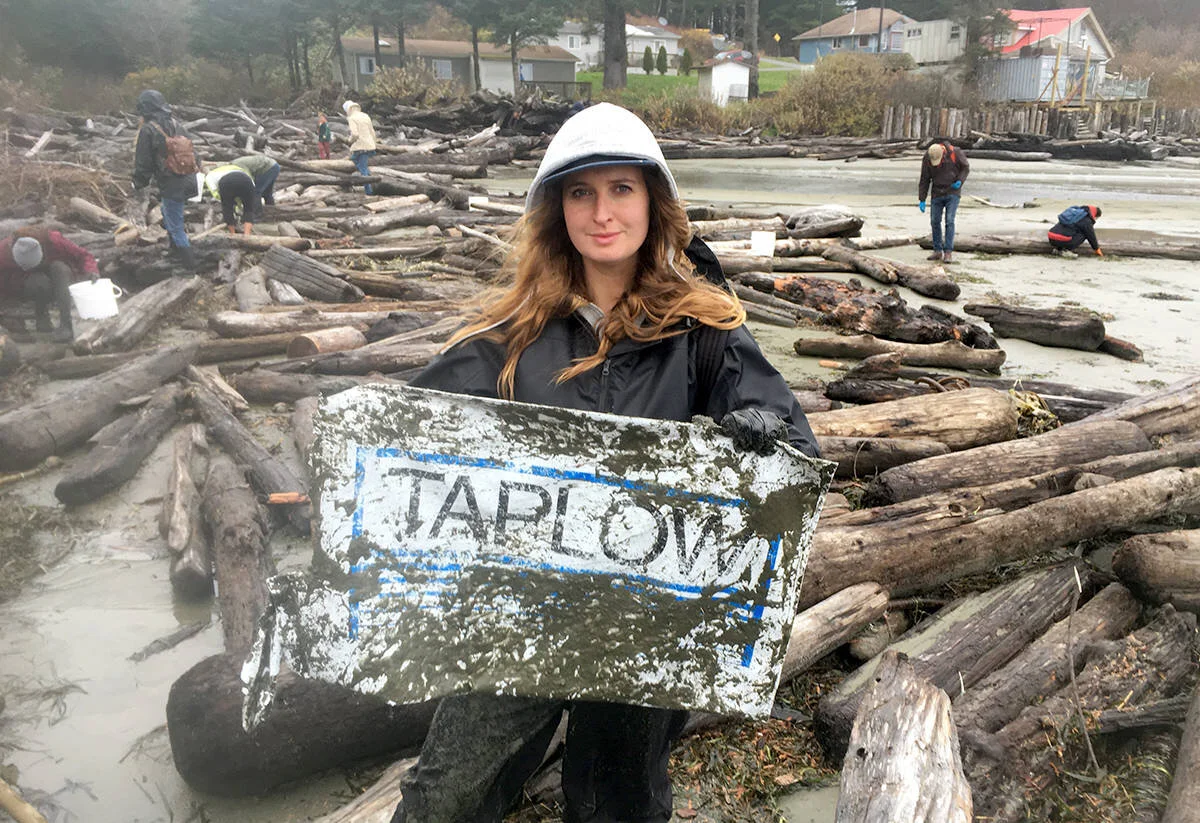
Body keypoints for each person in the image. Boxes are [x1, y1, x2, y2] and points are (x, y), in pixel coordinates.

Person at [389, 102, 820, 823]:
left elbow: (797, 452)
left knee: (616, 801)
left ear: (654, 201)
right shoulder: (510, 337)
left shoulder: (703, 332)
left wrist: (763, 434)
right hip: (518, 613)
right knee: (445, 794)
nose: (602, 212)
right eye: (581, 192)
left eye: (622, 188)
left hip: (644, 623)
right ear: (556, 209)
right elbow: (398, 439)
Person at [132, 89, 200, 270]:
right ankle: (174, 252)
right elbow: (195, 154)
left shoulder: (148, 129)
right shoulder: (177, 124)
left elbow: (143, 162)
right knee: (167, 212)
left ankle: (188, 267)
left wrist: (138, 183)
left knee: (175, 224)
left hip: (171, 183)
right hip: (188, 179)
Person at [0, 227, 99, 341]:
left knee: (60, 269)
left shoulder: (54, 241)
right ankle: (41, 314)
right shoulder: (3, 252)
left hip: (56, 275)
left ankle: (66, 324)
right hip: (25, 280)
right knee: (40, 281)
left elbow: (83, 255)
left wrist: (91, 270)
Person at [918, 141, 970, 264]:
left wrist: (960, 181)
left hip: (953, 192)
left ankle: (948, 252)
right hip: (937, 192)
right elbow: (925, 179)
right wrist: (922, 199)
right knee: (934, 221)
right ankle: (937, 250)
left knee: (949, 220)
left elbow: (965, 168)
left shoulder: (955, 153)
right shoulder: (928, 157)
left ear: (943, 153)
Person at [204, 155, 281, 235]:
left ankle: (256, 217)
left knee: (256, 193)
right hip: (273, 166)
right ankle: (271, 214)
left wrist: (234, 203)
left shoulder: (237, 165)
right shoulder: (231, 166)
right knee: (266, 194)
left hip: (268, 168)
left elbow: (247, 175)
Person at [343, 100, 377, 194]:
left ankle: (369, 191)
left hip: (360, 147)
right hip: (370, 145)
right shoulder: (365, 116)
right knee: (361, 165)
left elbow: (355, 134)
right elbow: (372, 132)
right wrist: (374, 144)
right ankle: (372, 183)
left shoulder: (352, 118)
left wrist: (349, 141)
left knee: (361, 167)